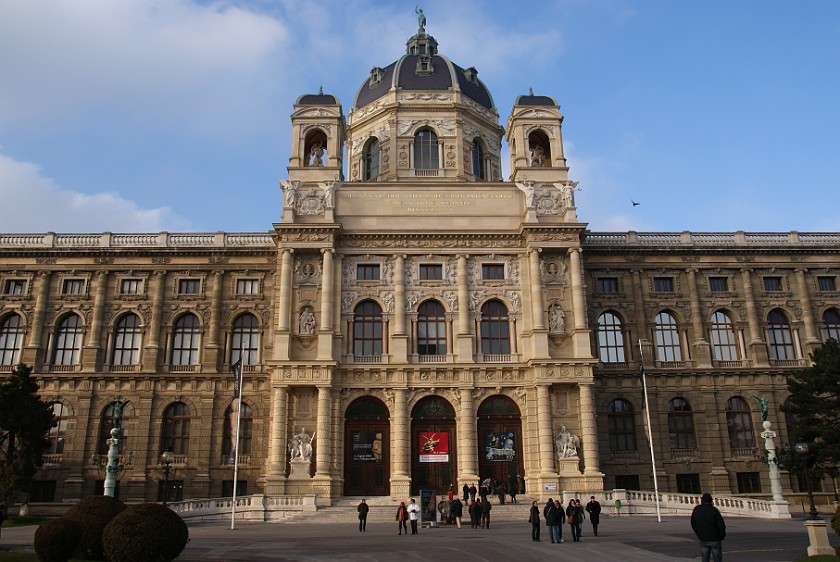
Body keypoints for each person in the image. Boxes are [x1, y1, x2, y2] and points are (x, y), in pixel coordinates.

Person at [691, 492, 726, 562]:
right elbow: (721, 525)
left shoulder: (697, 510)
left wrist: (699, 534)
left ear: (701, 500)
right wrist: (722, 536)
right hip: (715, 539)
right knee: (717, 559)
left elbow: (693, 523)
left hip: (703, 539)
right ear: (711, 501)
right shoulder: (714, 510)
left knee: (705, 559)